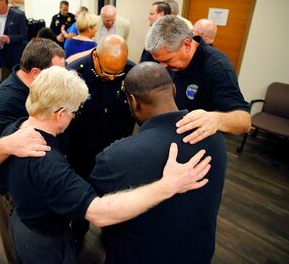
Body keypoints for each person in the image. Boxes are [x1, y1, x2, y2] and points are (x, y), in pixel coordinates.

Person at [0, 66, 212, 264]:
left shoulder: (13, 131)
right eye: (74, 112)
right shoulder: (48, 163)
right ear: (60, 113)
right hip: (43, 240)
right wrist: (169, 185)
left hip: (21, 219)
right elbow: (99, 213)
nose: (73, 117)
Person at [89, 61, 227, 263]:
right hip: (197, 253)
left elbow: (99, 209)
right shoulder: (215, 139)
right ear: (173, 89)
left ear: (134, 103)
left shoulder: (114, 157)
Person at [0, 38, 65, 263]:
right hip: (13, 193)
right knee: (21, 249)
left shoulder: (39, 87)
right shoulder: (3, 101)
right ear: (35, 72)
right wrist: (9, 143)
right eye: (57, 74)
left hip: (40, 185)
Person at [66, 34, 136, 245]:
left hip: (116, 150)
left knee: (114, 195)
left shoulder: (133, 73)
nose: (113, 78)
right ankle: (79, 231)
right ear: (95, 56)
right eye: (107, 72)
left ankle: (110, 230)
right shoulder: (74, 73)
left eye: (118, 73)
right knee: (81, 197)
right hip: (82, 151)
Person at [145, 15, 251, 144]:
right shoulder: (171, 58)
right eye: (159, 61)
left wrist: (216, 119)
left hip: (198, 142)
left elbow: (245, 121)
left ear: (187, 45)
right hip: (171, 134)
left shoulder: (218, 68)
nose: (163, 67)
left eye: (168, 60)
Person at [0, 0, 28, 78]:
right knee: (4, 82)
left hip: (14, 57)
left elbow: (24, 36)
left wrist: (9, 39)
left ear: (4, 1)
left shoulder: (18, 15)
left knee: (18, 80)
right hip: (0, 56)